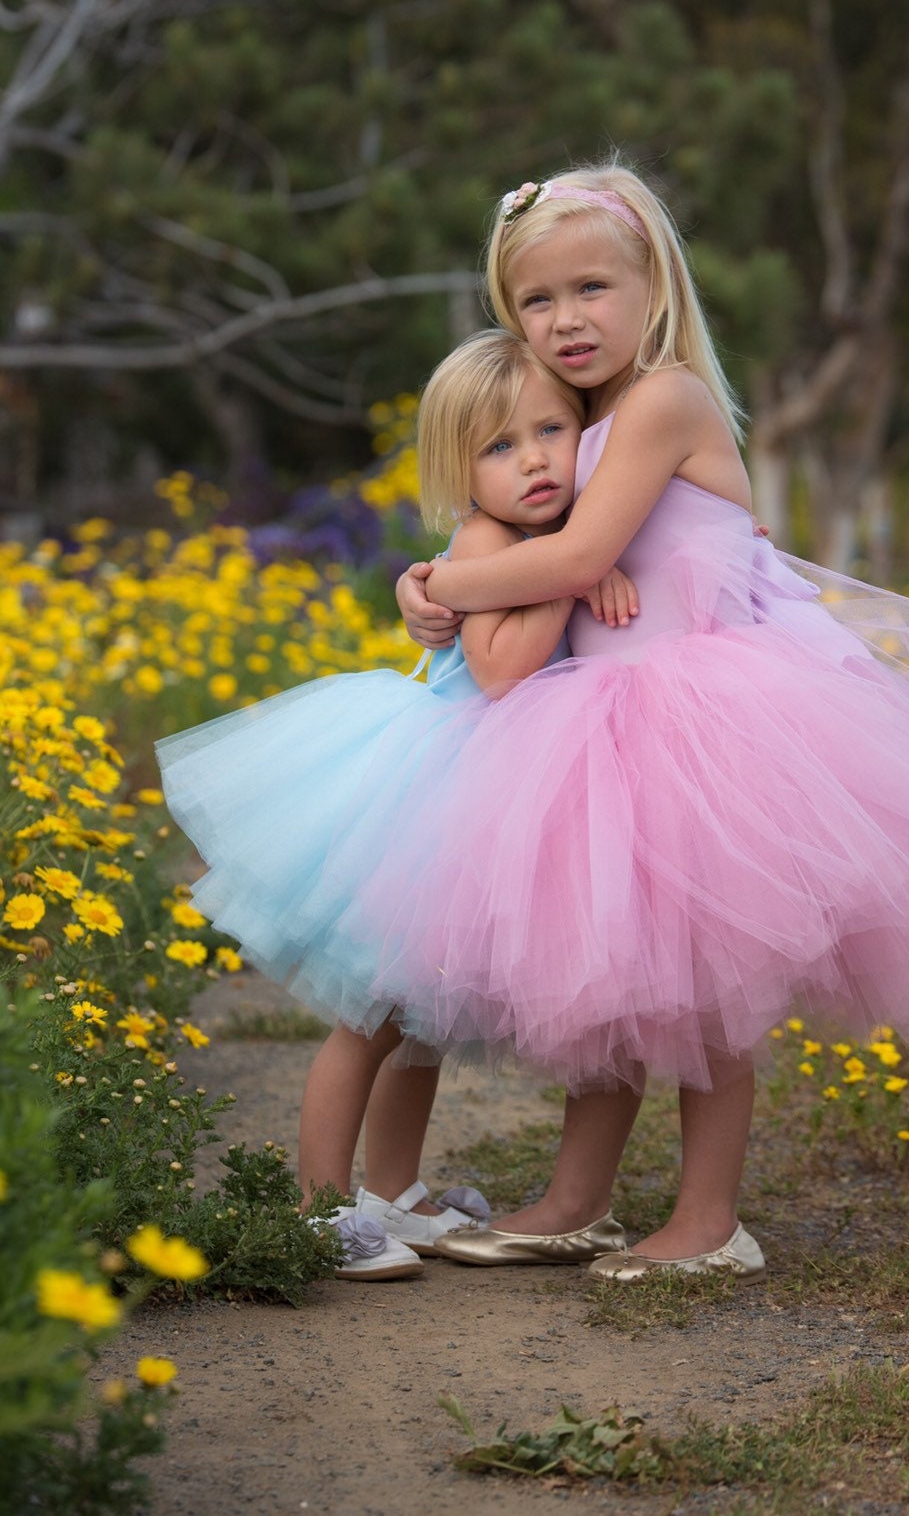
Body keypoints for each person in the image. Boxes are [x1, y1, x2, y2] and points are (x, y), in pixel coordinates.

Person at [385, 161, 909, 1282]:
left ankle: (709, 1221)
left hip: (706, 721)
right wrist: (463, 584)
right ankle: (576, 1197)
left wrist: (425, 580)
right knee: (616, 973)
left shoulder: (663, 399)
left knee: (709, 993)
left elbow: (569, 558)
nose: (566, 320)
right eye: (535, 301)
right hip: (597, 726)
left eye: (591, 288)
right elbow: (547, 557)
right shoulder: (572, 420)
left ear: (652, 283)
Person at [157, 329, 613, 1278]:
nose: (532, 459)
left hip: (492, 801)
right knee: (370, 1015)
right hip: (433, 801)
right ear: (459, 472)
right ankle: (320, 1206)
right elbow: (497, 670)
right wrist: (574, 568)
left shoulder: (543, 539)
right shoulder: (494, 542)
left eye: (551, 431)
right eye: (498, 446)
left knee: (423, 1018)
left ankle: (393, 1192)